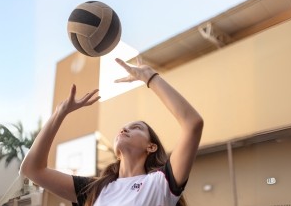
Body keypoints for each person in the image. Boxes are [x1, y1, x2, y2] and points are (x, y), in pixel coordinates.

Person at [20, 57, 204, 206]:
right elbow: (32, 169)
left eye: (136, 127)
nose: (124, 129)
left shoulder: (160, 183)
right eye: (124, 127)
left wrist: (149, 77)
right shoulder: (96, 189)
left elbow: (193, 123)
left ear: (151, 146)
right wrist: (59, 114)